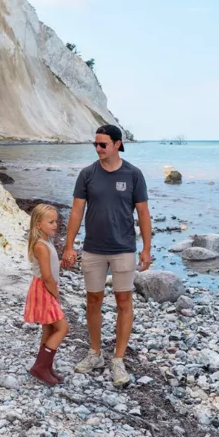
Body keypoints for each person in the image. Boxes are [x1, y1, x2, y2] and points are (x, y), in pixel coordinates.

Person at [62, 124, 151, 387]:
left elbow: (143, 213)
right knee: (93, 300)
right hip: (93, 249)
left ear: (117, 144)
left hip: (124, 249)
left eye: (103, 144)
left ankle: (118, 359)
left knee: (124, 302)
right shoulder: (87, 174)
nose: (98, 149)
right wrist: (69, 246)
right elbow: (77, 211)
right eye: (96, 145)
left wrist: (146, 248)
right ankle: (95, 353)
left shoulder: (133, 174)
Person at [23, 203, 69, 385]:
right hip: (44, 289)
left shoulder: (46, 243)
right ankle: (40, 367)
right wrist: (55, 295)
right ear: (38, 224)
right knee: (63, 327)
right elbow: (47, 276)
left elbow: (51, 267)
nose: (55, 225)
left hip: (44, 287)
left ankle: (45, 366)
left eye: (55, 221)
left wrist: (62, 263)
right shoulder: (40, 246)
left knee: (49, 328)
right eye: (51, 222)